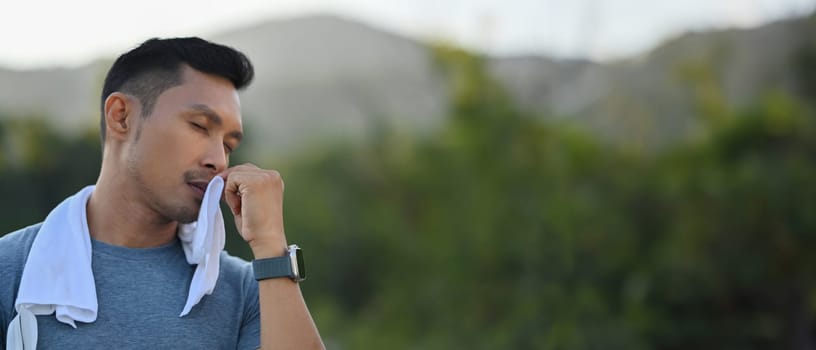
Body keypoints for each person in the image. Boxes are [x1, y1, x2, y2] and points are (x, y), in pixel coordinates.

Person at [0, 37, 325, 349]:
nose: (218, 160)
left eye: (228, 145)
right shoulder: (11, 269)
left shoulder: (244, 289)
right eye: (199, 126)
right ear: (121, 117)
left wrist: (271, 245)